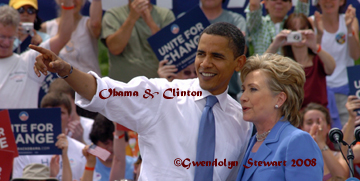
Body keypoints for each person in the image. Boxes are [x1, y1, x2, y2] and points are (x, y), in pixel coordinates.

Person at [31, 22, 252, 180]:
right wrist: (66, 70)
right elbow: (102, 91)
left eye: (217, 56)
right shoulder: (161, 95)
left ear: (239, 63)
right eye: (201, 54)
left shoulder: (243, 121)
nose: (205, 63)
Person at [236, 53, 324, 180]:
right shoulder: (251, 141)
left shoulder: (298, 141)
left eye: (253, 89)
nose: (243, 97)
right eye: (243, 89)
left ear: (279, 99)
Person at [0, 2, 73, 109]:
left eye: (10, 38)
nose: (6, 43)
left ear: (16, 33)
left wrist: (68, 4)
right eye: (2, 37)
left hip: (26, 124)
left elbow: (63, 37)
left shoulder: (28, 62)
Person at [266, 13, 336, 110]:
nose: (298, 33)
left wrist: (315, 46)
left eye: (302, 29)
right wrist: (275, 44)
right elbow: (262, 69)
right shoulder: (282, 64)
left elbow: (331, 68)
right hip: (293, 117)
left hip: (318, 114)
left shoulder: (317, 59)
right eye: (293, 30)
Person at [12, 92, 86, 181]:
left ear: (69, 117)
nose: (55, 117)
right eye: (50, 112)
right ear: (41, 115)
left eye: (61, 112)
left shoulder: (81, 151)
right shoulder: (26, 150)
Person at [310, 1, 360, 127]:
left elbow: (355, 55)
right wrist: (319, 34)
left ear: (341, 1)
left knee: (350, 133)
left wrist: (349, 28)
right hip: (321, 90)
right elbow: (312, 57)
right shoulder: (311, 21)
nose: (328, 2)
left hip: (346, 88)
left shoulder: (350, 20)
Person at [101, 0, 175, 83]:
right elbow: (115, 48)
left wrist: (150, 22)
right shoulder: (113, 14)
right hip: (122, 88)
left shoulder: (165, 15)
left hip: (155, 87)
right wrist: (132, 18)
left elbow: (170, 50)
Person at [41, 0, 102, 75]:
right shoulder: (46, 28)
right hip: (57, 84)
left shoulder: (88, 24)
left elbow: (95, 24)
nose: (72, 1)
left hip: (87, 83)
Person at [300, 103, 349, 180]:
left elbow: (341, 176)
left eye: (319, 122)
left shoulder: (340, 156)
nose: (315, 126)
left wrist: (321, 143)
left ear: (328, 127)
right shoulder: (296, 155)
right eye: (309, 123)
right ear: (302, 128)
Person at [49, 78, 95, 145]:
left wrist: (81, 141)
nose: (59, 108)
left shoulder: (91, 126)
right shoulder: (45, 129)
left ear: (75, 100)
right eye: (54, 103)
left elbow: (104, 154)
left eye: (65, 101)